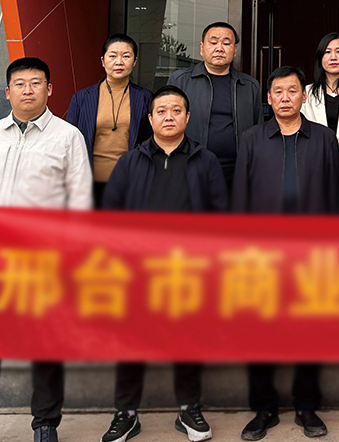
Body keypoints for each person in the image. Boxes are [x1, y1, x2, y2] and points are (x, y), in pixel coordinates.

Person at [0, 57, 93, 442]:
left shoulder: (67, 136)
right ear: (7, 91)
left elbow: (80, 199)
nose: (27, 90)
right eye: (20, 83)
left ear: (50, 89)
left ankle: (45, 422)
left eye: (36, 83)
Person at [98, 85, 227, 442]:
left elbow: (220, 217)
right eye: (162, 111)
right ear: (151, 118)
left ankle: (189, 409)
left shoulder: (205, 160)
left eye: (176, 110)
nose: (169, 117)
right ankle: (126, 413)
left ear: (187, 117)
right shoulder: (131, 161)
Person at [233, 65, 339, 440]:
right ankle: (264, 407)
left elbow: (334, 196)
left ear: (304, 96)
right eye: (278, 92)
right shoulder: (252, 139)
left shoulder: (324, 138)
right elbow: (241, 197)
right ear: (268, 98)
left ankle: (306, 406)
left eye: (292, 91)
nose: (285, 98)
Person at [168, 21, 261, 195]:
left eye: (226, 43)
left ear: (234, 50)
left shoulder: (249, 85)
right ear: (202, 48)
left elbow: (258, 131)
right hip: (191, 169)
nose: (219, 48)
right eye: (213, 42)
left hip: (237, 173)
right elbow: (166, 125)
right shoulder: (180, 80)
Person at [65, 33, 153, 207]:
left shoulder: (145, 98)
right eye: (112, 56)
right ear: (103, 61)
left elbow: (151, 142)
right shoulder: (82, 98)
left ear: (135, 61)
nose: (119, 62)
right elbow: (69, 142)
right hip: (89, 185)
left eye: (126, 56)